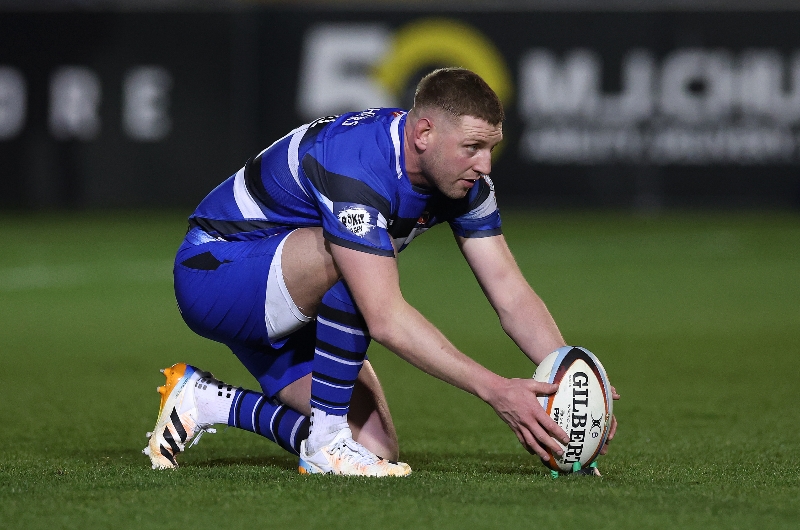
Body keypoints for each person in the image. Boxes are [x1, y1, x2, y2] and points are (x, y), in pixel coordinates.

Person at [143, 67, 618, 477]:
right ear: (424, 133)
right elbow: (385, 316)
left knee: (375, 449)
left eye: (490, 147)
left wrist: (570, 379)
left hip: (291, 293)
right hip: (217, 275)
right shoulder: (356, 162)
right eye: (472, 147)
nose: (485, 165)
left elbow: (510, 292)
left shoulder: (468, 185)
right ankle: (326, 441)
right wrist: (496, 390)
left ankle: (205, 400)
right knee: (355, 257)